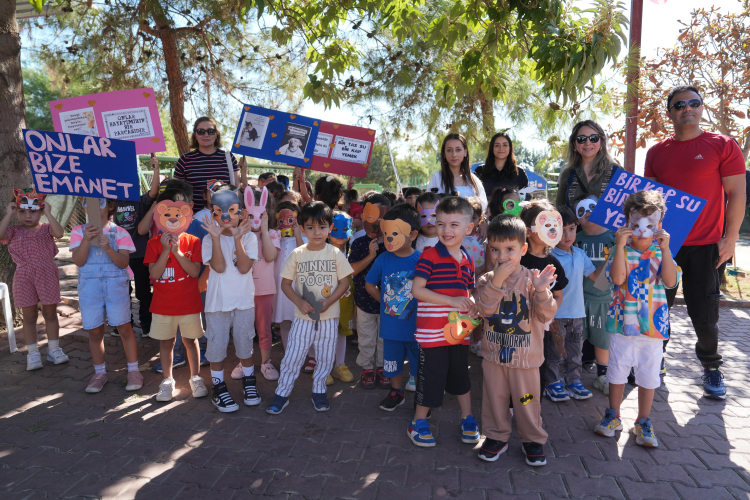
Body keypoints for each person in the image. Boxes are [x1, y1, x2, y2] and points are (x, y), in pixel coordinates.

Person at [644, 85, 746, 400]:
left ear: (702, 108)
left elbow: (738, 193)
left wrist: (731, 238)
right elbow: (649, 201)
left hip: (708, 245)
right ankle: (654, 362)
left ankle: (711, 368)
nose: (686, 108)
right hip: (666, 245)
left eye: (693, 103)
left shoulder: (723, 145)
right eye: (679, 105)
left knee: (704, 312)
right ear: (670, 112)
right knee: (658, 307)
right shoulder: (656, 152)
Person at [595, 190, 679, 448]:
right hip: (623, 324)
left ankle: (643, 421)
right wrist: (619, 245)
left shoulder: (661, 252)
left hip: (653, 327)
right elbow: (617, 279)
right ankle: (614, 415)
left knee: (649, 375)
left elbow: (670, 281)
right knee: (617, 370)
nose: (643, 230)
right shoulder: (621, 250)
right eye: (636, 224)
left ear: (659, 225)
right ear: (627, 224)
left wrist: (665, 250)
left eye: (650, 225)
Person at [475, 215, 557, 465]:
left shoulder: (534, 280)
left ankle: (533, 439)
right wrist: (497, 281)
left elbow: (546, 314)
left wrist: (542, 290)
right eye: (495, 249)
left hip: (526, 359)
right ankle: (496, 436)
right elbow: (484, 310)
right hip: (493, 356)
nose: (502, 256)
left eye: (509, 249)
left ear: (523, 249)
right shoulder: (486, 280)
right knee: (494, 399)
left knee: (527, 401)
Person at [266, 202, 354, 414]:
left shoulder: (335, 254)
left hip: (329, 318)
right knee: (293, 357)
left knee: (325, 358)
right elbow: (285, 284)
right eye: (311, 227)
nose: (317, 232)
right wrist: (299, 302)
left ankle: (319, 391)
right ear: (302, 229)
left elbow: (344, 283)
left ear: (330, 227)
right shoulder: (297, 254)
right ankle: (282, 394)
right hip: (303, 319)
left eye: (322, 227)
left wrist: (329, 302)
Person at [408, 196, 481, 448]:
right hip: (431, 335)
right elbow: (418, 290)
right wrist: (450, 302)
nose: (446, 230)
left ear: (468, 228)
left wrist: (472, 306)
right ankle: (417, 422)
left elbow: (467, 292)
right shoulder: (429, 255)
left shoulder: (468, 259)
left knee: (461, 376)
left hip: (459, 332)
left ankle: (467, 417)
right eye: (441, 224)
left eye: (453, 224)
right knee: (431, 377)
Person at [70, 198, 142, 394]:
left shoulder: (120, 232)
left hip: (115, 286)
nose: (92, 206)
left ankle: (134, 370)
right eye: (86, 202)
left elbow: (123, 262)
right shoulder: (77, 231)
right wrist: (86, 239)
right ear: (83, 205)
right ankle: (99, 373)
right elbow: (78, 260)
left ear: (110, 206)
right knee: (94, 331)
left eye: (100, 202)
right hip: (90, 287)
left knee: (124, 327)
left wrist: (109, 248)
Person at [200, 184, 260, 412]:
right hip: (217, 304)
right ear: (213, 213)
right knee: (217, 347)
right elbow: (219, 266)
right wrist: (216, 238)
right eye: (219, 211)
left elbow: (244, 268)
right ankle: (218, 387)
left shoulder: (249, 239)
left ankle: (249, 381)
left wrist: (237, 239)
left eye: (232, 210)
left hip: (244, 303)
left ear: (241, 213)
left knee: (245, 345)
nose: (226, 216)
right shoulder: (208, 239)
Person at [146, 188, 207, 403]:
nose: (172, 219)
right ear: (160, 216)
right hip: (162, 305)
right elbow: (154, 273)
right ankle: (167, 380)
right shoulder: (153, 243)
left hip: (189, 304)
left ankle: (196, 378)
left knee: (191, 341)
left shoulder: (193, 242)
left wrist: (177, 252)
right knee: (166, 343)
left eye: (177, 215)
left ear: (186, 216)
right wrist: (165, 251)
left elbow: (193, 272)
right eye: (167, 215)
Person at [0, 188, 67, 371]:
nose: (27, 215)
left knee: (50, 313)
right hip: (24, 276)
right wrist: (8, 215)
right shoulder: (13, 231)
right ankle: (33, 353)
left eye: (33, 210)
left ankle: (54, 350)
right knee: (29, 317)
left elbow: (60, 233)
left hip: (47, 273)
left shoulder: (46, 229)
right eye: (22, 211)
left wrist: (48, 213)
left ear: (41, 210)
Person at [365, 203, 422, 409]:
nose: (389, 237)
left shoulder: (421, 261)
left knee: (419, 365)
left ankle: (422, 399)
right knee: (393, 363)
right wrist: (385, 302)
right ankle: (396, 392)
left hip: (418, 329)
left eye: (395, 233)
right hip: (391, 329)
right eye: (386, 232)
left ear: (412, 235)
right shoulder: (382, 259)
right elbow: (369, 284)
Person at [548, 206, 599, 401]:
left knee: (575, 352)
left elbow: (595, 276)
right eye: (561, 230)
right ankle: (552, 383)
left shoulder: (579, 254)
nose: (567, 235)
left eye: (571, 228)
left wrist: (612, 256)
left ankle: (573, 381)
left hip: (577, 314)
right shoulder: (549, 255)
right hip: (556, 315)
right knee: (554, 352)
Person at [519, 200, 568, 392]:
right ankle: (512, 404)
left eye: (554, 224)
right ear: (528, 230)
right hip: (516, 326)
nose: (552, 229)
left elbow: (558, 295)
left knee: (537, 365)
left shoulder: (554, 263)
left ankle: (533, 406)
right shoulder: (517, 259)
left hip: (541, 329)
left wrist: (549, 312)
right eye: (545, 224)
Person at [113, 155, 159, 338]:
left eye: (132, 184)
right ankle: (123, 324)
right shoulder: (113, 204)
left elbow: (154, 192)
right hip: (120, 255)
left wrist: (155, 168)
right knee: (122, 291)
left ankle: (147, 324)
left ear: (138, 187)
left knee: (143, 291)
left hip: (140, 254)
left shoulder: (140, 201)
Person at [348, 193, 392, 389]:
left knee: (384, 337)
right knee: (366, 337)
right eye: (373, 217)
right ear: (365, 217)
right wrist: (371, 254)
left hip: (387, 302)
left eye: (382, 217)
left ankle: (382, 367)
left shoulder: (394, 244)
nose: (377, 223)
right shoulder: (358, 243)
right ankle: (367, 368)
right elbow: (352, 270)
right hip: (364, 301)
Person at [574, 196, 616, 395]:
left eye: (593, 207)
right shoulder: (575, 238)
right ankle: (572, 375)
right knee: (576, 339)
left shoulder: (615, 237)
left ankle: (603, 376)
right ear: (577, 218)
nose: (588, 211)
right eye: (581, 210)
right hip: (578, 299)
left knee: (603, 340)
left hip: (605, 299)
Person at [174, 116, 241, 213]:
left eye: (210, 131)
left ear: (216, 134)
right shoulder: (185, 160)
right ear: (195, 135)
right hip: (192, 219)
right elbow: (178, 193)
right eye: (201, 131)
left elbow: (236, 188)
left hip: (223, 219)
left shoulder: (228, 158)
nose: (206, 135)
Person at [556, 120, 620, 209]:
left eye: (594, 138)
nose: (588, 143)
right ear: (574, 144)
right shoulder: (567, 173)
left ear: (601, 142)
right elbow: (560, 210)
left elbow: (625, 210)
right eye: (581, 139)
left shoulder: (616, 171)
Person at [272, 200, 306, 351]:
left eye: (291, 220)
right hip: (281, 290)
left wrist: (298, 235)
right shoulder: (274, 238)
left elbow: (305, 257)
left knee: (301, 322)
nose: (287, 223)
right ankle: (289, 353)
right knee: (284, 323)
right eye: (282, 220)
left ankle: (306, 354)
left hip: (297, 288)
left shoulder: (303, 239)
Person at [328, 212, 356, 383]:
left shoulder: (351, 250)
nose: (340, 234)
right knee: (325, 332)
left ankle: (340, 364)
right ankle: (322, 366)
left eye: (345, 229)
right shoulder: (321, 250)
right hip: (327, 296)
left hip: (345, 298)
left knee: (342, 331)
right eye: (335, 229)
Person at [427, 133, 488, 211]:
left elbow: (483, 208)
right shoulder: (437, 178)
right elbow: (429, 207)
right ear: (444, 153)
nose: (454, 154)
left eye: (458, 150)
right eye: (449, 150)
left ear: (465, 152)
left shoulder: (473, 180)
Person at [475, 132, 529, 197]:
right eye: (497, 145)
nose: (501, 148)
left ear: (510, 148)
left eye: (505, 145)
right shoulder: (480, 171)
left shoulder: (519, 172)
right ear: (492, 148)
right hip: (485, 207)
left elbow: (525, 197)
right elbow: (474, 195)